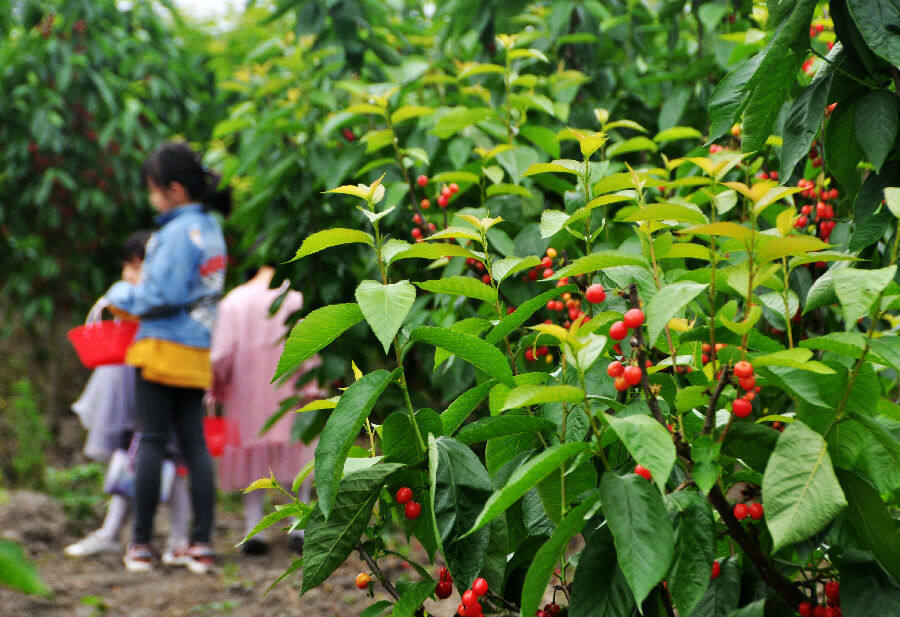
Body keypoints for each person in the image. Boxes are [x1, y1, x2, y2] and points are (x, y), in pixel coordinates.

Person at [104, 141, 230, 573]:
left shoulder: (177, 232)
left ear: (174, 189)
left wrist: (119, 293)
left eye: (153, 189)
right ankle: (201, 542)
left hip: (161, 348)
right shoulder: (211, 228)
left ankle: (140, 543)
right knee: (195, 446)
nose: (151, 197)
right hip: (196, 350)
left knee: (152, 442)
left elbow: (161, 295)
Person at [65, 232, 191, 561]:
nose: (129, 274)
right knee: (136, 456)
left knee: (165, 458)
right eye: (127, 266)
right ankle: (119, 533)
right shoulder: (137, 297)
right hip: (132, 384)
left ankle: (177, 539)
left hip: (162, 382)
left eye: (137, 266)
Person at [209, 263, 324, 555]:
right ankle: (299, 526)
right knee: (296, 453)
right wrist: (313, 382)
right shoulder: (295, 298)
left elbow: (220, 354)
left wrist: (216, 385)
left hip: (247, 391)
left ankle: (253, 530)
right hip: (290, 388)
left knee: (251, 456)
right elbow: (310, 343)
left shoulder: (233, 301)